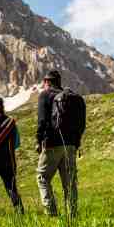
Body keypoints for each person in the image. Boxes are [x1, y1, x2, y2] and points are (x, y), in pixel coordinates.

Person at [36, 70, 85, 217]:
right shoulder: (72, 97)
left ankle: (52, 214)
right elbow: (82, 124)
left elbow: (42, 121)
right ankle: (72, 215)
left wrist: (39, 141)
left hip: (52, 144)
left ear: (47, 82)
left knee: (42, 177)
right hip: (70, 146)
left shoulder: (45, 95)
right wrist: (76, 143)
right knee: (69, 183)